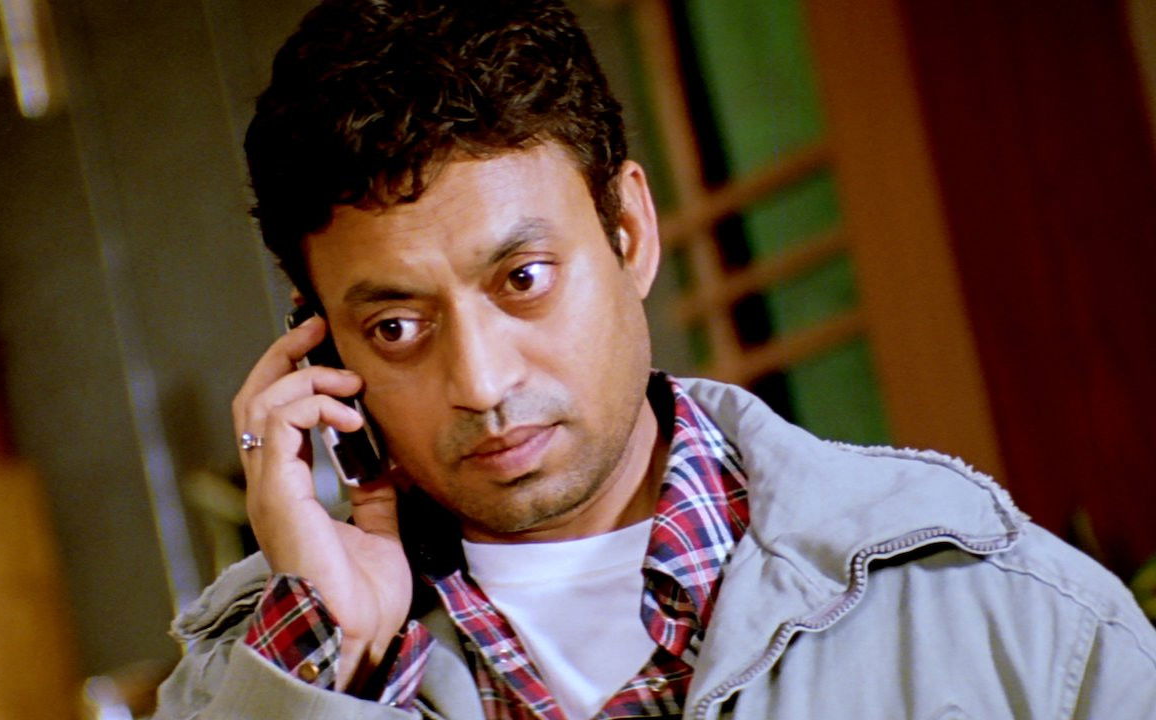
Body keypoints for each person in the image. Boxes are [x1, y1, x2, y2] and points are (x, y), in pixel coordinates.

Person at [154, 1, 1156, 718]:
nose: (483, 382)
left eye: (523, 279)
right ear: (321, 346)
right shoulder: (250, 683)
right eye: (397, 329)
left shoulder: (1000, 607)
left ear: (627, 231)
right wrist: (332, 661)